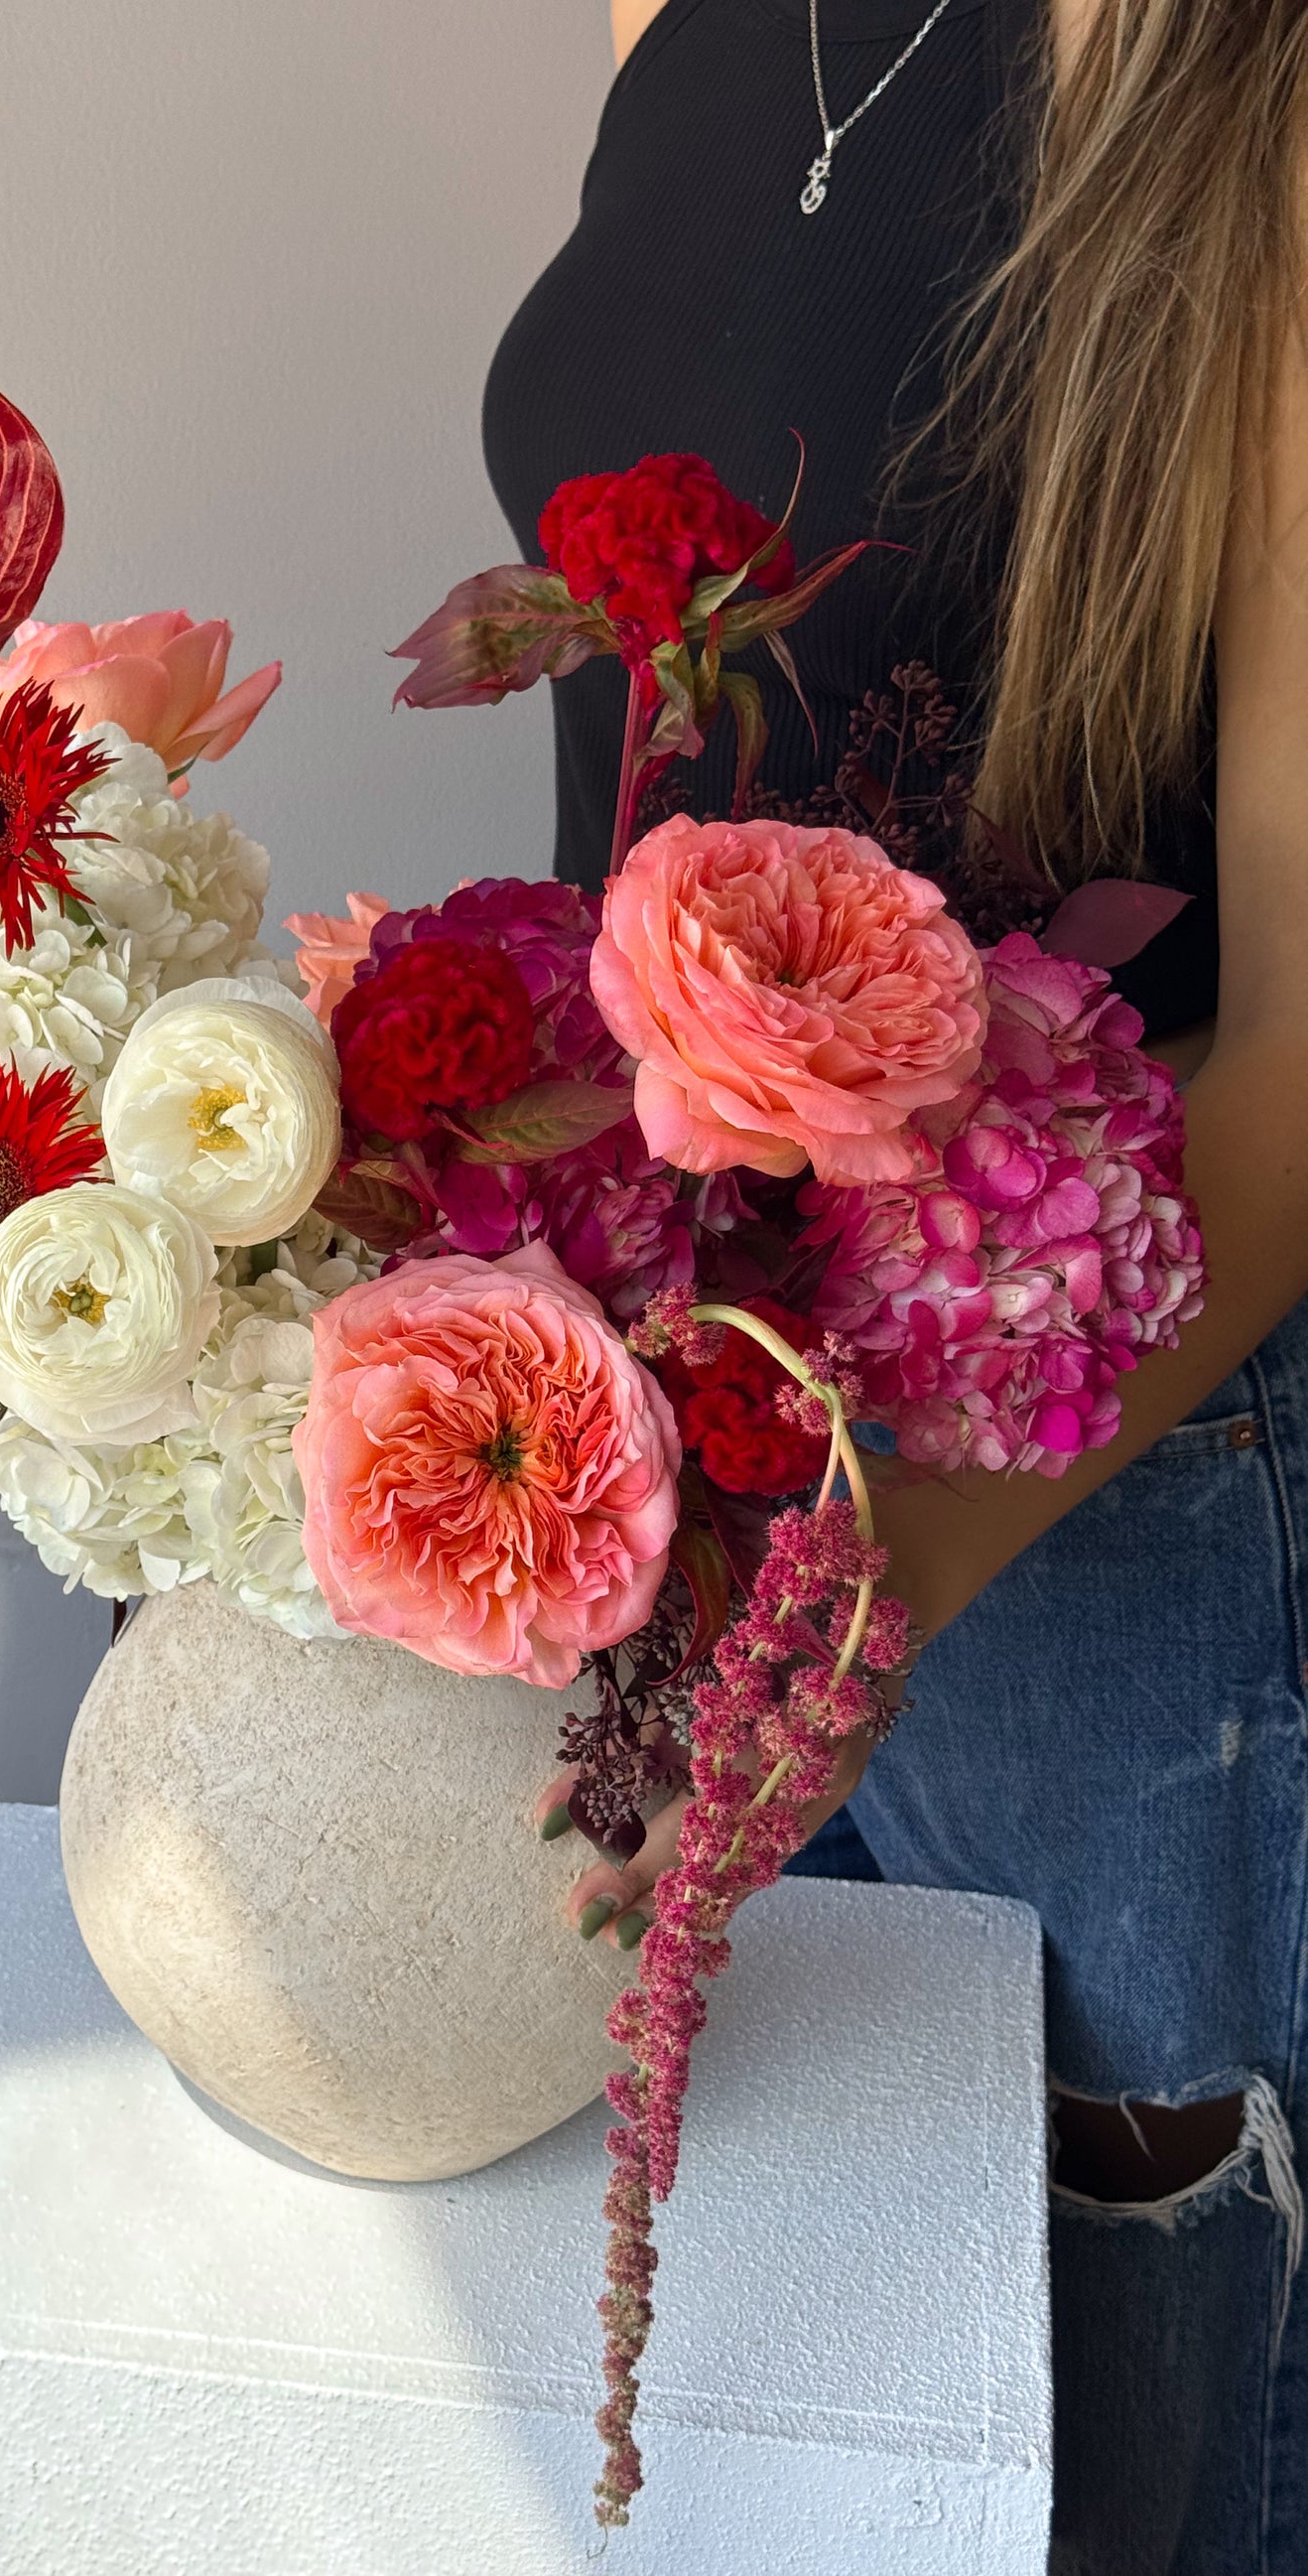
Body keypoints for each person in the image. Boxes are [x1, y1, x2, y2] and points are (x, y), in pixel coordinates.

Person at [484, 2, 1308, 2566]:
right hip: (672, 1455)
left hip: (1091, 1513)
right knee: (743, 2426)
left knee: (1101, 2469)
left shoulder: (1250, 94)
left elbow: (1304, 1035)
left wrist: (859, 1573)